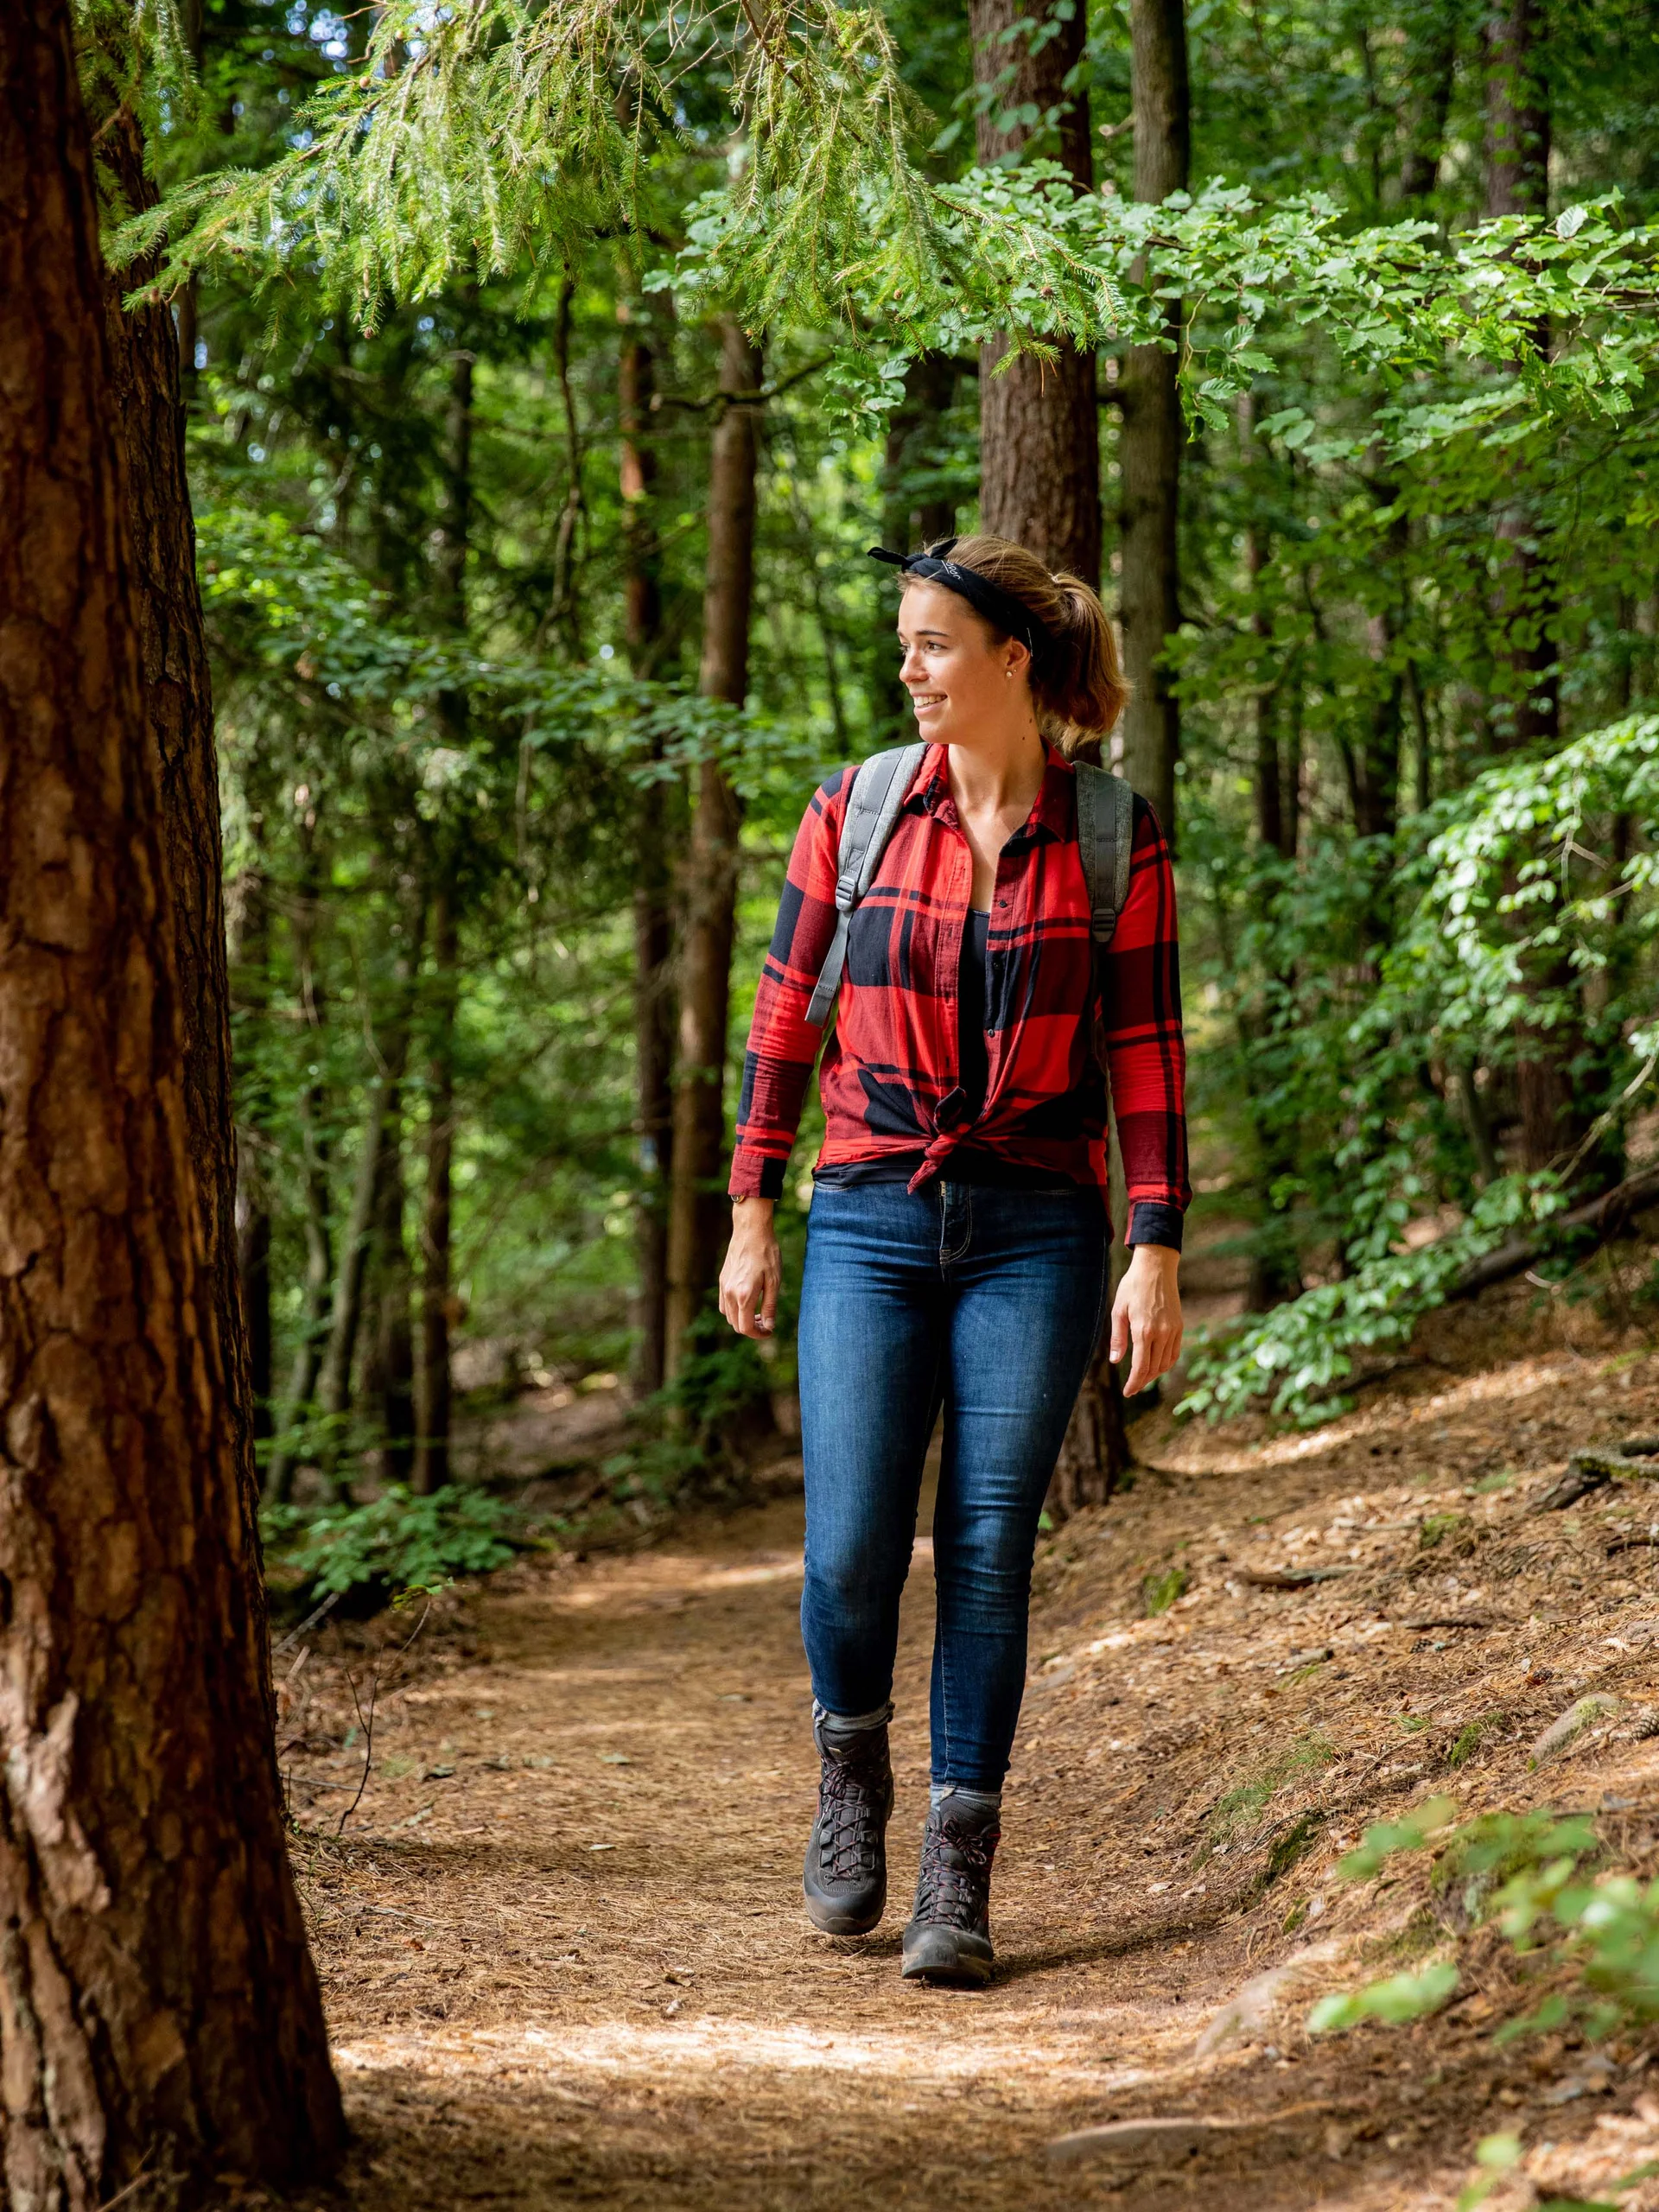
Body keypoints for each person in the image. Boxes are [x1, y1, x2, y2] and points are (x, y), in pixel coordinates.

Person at [717, 534, 1188, 1987]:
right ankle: (851, 1776)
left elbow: (1146, 1058)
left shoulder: (1114, 835)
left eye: (930, 643)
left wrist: (1153, 1245)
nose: (907, 668)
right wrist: (750, 1207)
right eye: (904, 643)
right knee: (853, 1549)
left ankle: (956, 1868)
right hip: (864, 1211)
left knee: (988, 1552)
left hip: (1035, 1230)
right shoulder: (854, 813)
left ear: (1012, 662)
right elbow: (785, 1021)